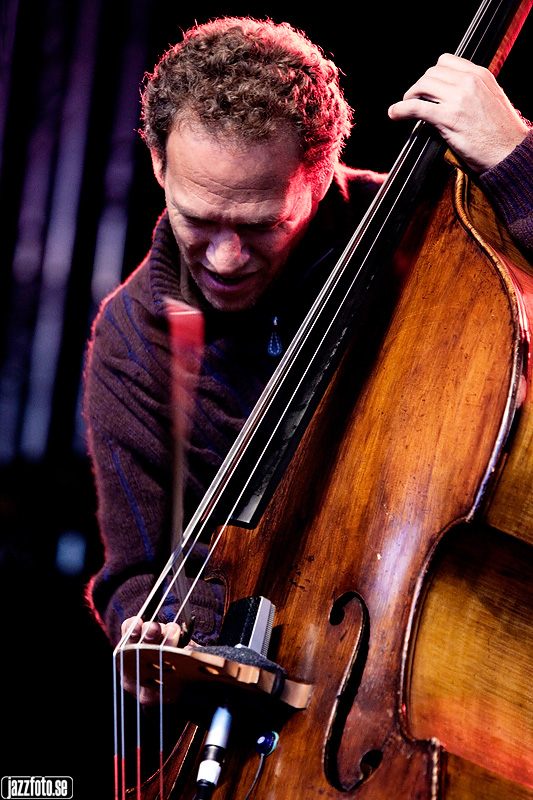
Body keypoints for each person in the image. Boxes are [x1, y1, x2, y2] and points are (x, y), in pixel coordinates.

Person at [84, 18, 533, 704]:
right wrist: (174, 632)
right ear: (158, 164)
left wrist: (517, 165)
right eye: (198, 219)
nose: (225, 260)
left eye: (262, 224)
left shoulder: (443, 243)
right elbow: (143, 568)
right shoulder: (131, 338)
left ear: (320, 172)